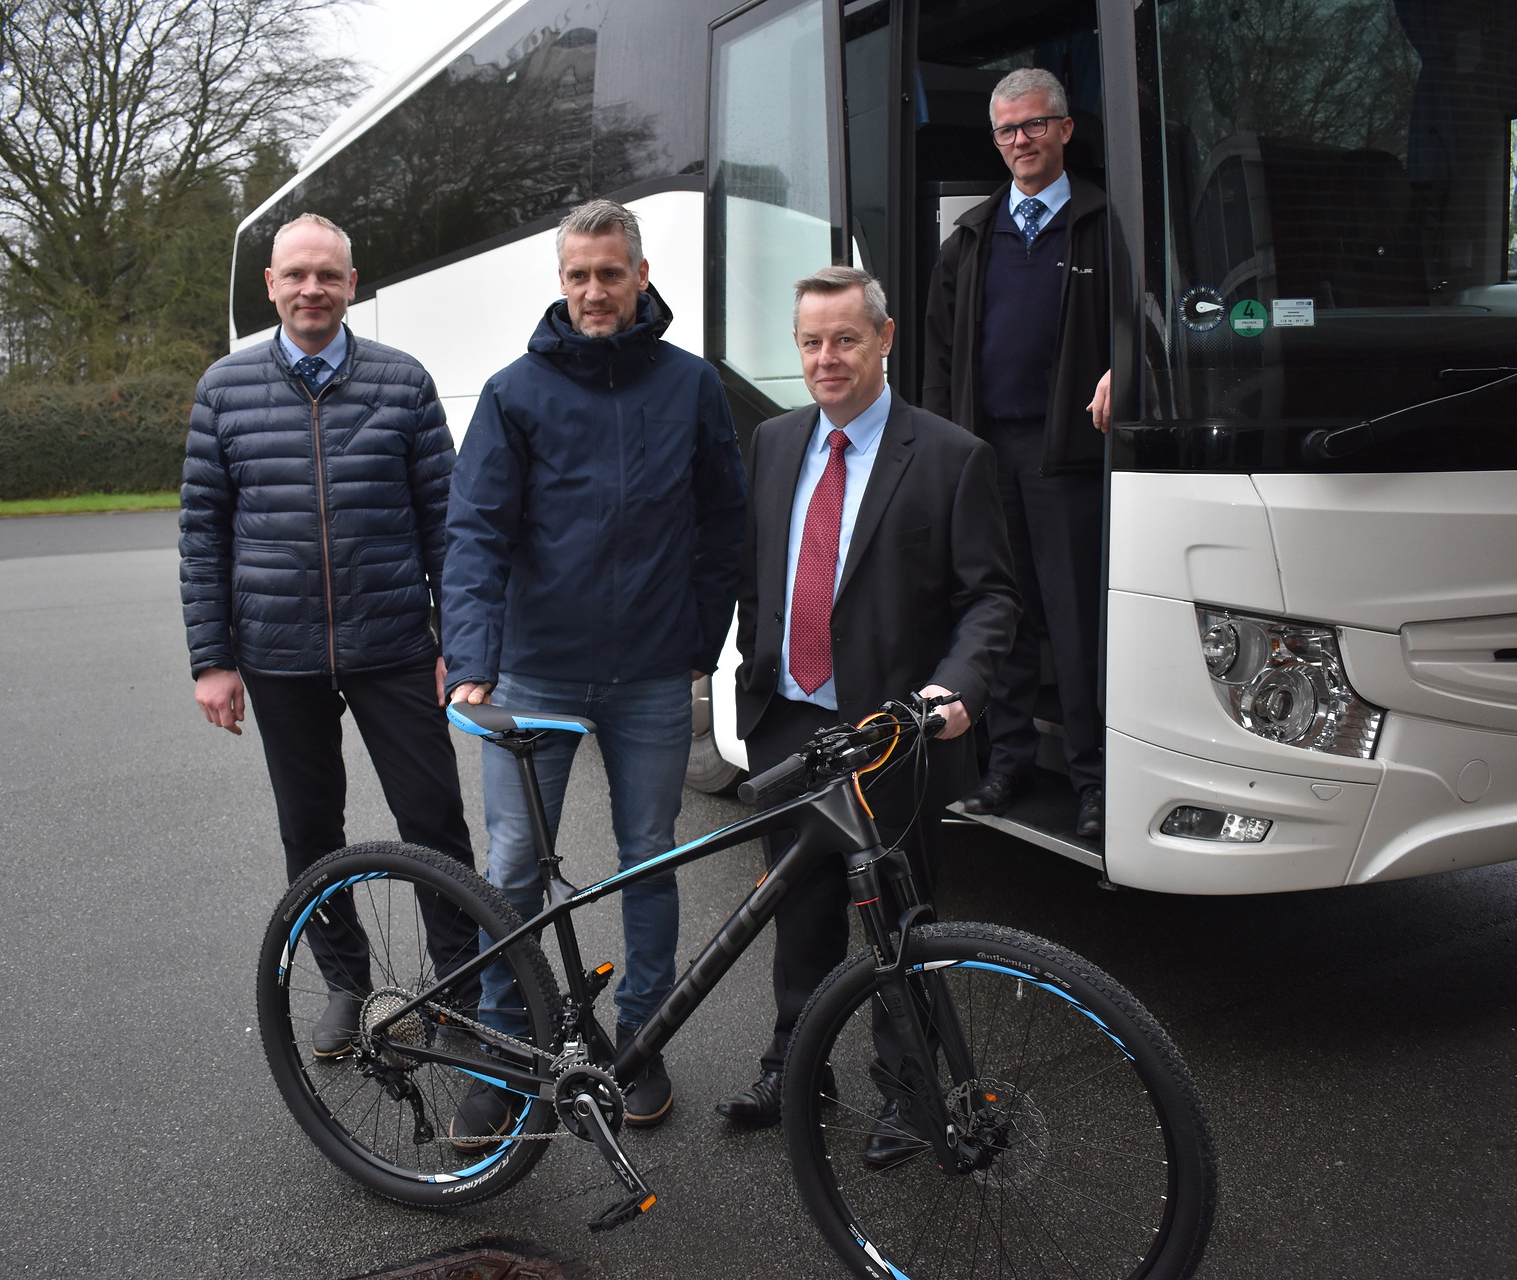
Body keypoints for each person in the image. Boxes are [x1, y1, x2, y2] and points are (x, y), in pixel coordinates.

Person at [442, 198, 746, 1141]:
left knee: (649, 862)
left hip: (652, 675)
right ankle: (502, 1050)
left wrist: (700, 638)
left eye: (610, 273)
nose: (592, 291)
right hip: (534, 674)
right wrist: (474, 657)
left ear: (642, 275)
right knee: (513, 867)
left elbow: (723, 519)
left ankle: (640, 1039)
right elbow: (476, 531)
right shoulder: (514, 392)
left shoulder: (691, 386)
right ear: (560, 280)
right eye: (577, 275)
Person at [720, 266, 1018, 1159]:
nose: (827, 358)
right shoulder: (774, 441)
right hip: (789, 722)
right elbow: (756, 572)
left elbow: (992, 599)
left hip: (887, 733)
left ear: (884, 340)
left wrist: (958, 687)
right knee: (796, 906)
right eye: (811, 342)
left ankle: (908, 1089)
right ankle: (795, 1064)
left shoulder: (952, 456)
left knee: (899, 917)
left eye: (846, 339)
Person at [179, 212, 478, 1058]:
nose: (313, 288)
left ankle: (459, 988)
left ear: (353, 285)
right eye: (297, 274)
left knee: (435, 822)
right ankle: (347, 984)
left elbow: (445, 526)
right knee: (310, 831)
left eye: (330, 275)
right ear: (270, 286)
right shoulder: (224, 389)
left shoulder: (403, 383)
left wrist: (458, 639)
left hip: (394, 647)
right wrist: (213, 660)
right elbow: (203, 532)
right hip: (279, 653)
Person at [923, 66, 1112, 839]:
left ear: (1066, 129)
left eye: (1035, 125)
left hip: (1065, 454)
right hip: (983, 451)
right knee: (1003, 616)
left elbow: (1153, 313)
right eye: (1007, 130)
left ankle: (1094, 783)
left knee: (1076, 625)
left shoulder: (1108, 224)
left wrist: (1125, 367)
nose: (1021, 141)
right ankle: (1005, 769)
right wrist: (940, 449)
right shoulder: (971, 235)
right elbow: (938, 354)